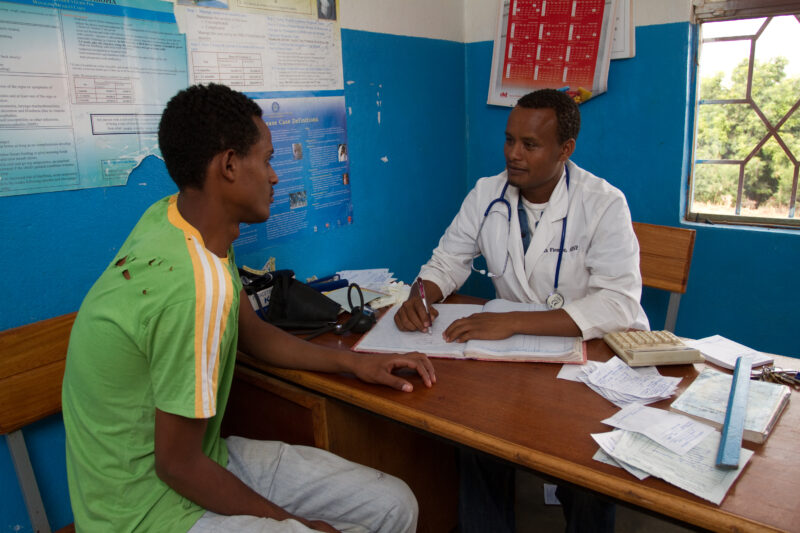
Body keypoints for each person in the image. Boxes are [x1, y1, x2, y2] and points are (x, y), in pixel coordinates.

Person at [62, 83, 436, 533]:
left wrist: (355, 364)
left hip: (202, 459)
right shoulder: (190, 284)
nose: (276, 175)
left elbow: (254, 336)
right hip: (140, 512)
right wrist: (297, 524)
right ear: (229, 165)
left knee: (392, 505)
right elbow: (176, 466)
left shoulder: (185, 220)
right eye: (268, 158)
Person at [395, 88, 648, 533]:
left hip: (590, 358)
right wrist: (420, 294)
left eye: (529, 145)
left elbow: (617, 303)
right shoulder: (487, 193)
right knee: (474, 439)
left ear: (565, 150)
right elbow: (447, 261)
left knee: (586, 469)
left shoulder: (604, 203)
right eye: (510, 140)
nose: (513, 154)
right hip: (512, 359)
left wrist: (512, 321)